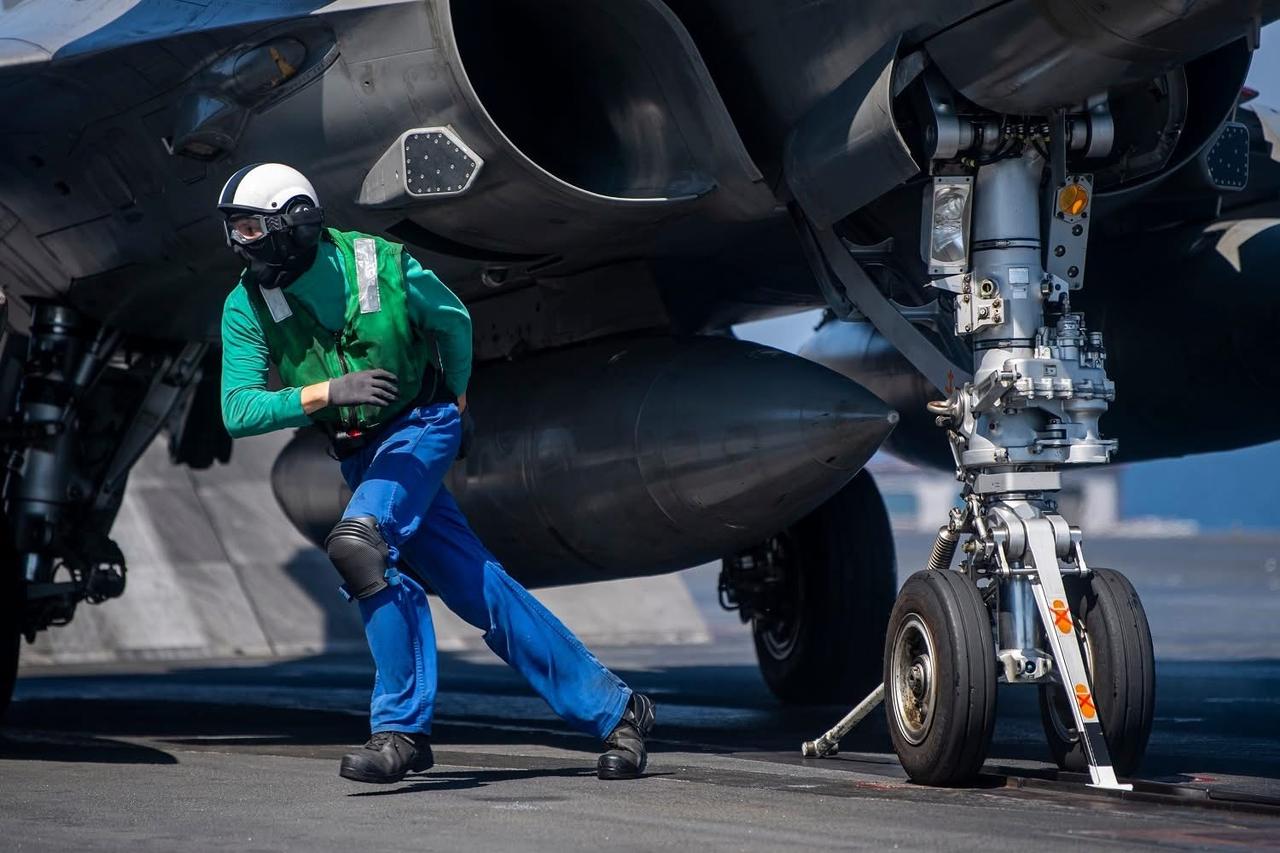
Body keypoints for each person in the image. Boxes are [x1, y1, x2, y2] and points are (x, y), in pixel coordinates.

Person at [216, 162, 654, 784]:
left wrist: (456, 397)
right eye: (233, 228)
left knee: (359, 545)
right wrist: (325, 392)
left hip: (420, 424)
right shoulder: (246, 303)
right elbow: (237, 410)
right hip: (359, 450)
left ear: (296, 223)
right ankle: (619, 712)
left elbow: (453, 321)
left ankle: (400, 732)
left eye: (252, 228)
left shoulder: (382, 265)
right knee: (480, 588)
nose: (239, 243)